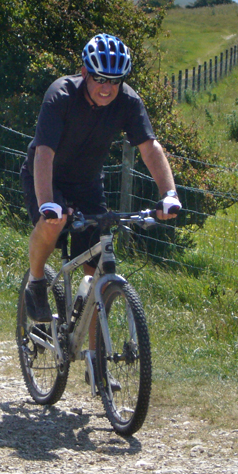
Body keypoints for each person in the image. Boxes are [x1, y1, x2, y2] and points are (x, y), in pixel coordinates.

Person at [21, 33, 181, 323]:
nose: (107, 88)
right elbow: (44, 153)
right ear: (85, 73)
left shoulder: (128, 102)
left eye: (115, 81)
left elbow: (149, 147)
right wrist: (48, 203)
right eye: (100, 79)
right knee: (52, 222)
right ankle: (36, 282)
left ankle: (96, 364)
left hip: (87, 182)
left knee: (97, 274)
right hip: (47, 177)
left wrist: (169, 194)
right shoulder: (61, 95)